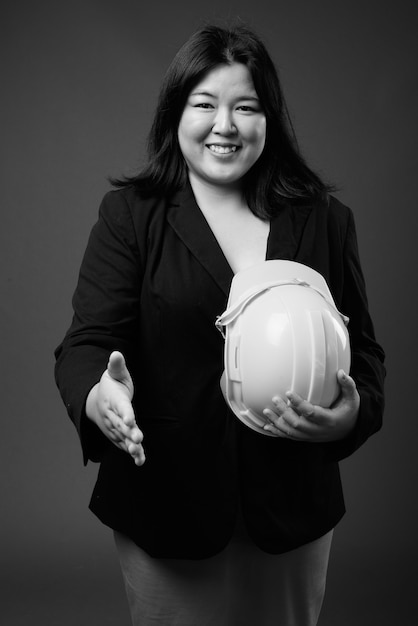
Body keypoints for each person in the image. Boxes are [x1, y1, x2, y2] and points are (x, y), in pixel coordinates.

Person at [54, 23, 385, 626]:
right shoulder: (130, 216)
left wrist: (350, 416)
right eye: (204, 104)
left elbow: (364, 356)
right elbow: (86, 345)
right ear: (175, 114)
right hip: (165, 502)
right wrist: (99, 396)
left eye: (246, 107)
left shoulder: (325, 221)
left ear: (270, 120)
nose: (224, 126)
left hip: (291, 510)